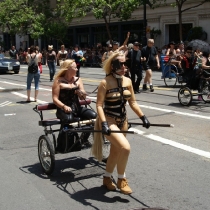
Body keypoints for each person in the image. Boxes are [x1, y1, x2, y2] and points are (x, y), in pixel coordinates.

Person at [91, 51, 150, 195]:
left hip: (123, 120)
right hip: (109, 119)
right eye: (120, 64)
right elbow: (99, 105)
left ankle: (106, 178)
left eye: (125, 63)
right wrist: (104, 123)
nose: (124, 67)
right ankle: (121, 179)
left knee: (116, 151)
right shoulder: (105, 83)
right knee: (126, 148)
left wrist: (143, 117)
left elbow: (133, 102)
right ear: (112, 66)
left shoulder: (128, 81)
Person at [52, 59, 97, 150]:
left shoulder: (78, 80)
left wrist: (81, 93)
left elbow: (82, 97)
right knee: (69, 119)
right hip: (63, 109)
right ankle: (64, 143)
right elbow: (55, 99)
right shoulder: (58, 81)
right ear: (68, 69)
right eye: (75, 67)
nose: (77, 69)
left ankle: (83, 139)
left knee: (94, 116)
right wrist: (64, 106)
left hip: (77, 108)